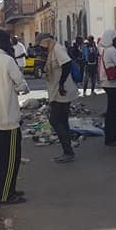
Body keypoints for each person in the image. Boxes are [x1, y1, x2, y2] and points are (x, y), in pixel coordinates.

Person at [0, 29, 29, 205]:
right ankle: (6, 195)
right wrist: (23, 88)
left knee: (1, 157)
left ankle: (8, 188)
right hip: (8, 116)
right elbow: (21, 85)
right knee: (12, 158)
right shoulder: (8, 61)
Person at [37, 33, 78, 163]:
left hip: (62, 90)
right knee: (63, 120)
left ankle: (68, 151)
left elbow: (66, 64)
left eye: (42, 46)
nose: (42, 49)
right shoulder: (51, 51)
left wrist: (61, 83)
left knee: (54, 120)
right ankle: (68, 150)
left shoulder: (57, 48)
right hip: (57, 91)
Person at [99, 29, 116, 145]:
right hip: (113, 84)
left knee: (114, 110)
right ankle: (110, 138)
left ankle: (114, 135)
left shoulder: (106, 50)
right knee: (112, 111)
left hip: (109, 83)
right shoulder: (112, 51)